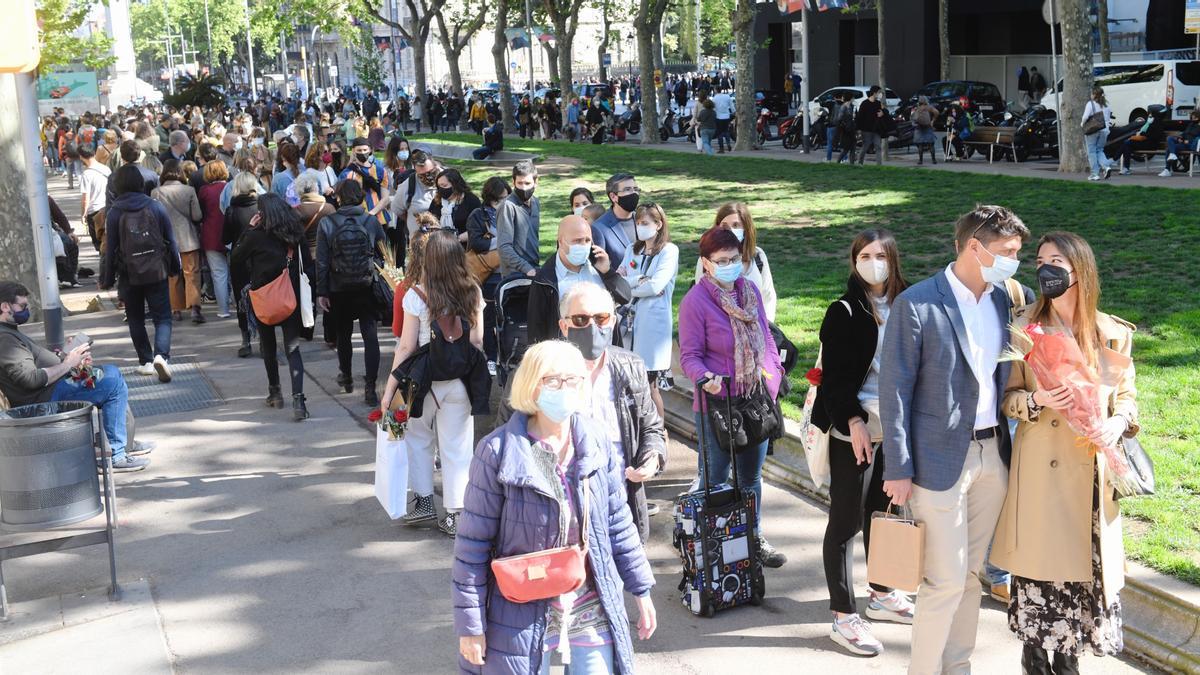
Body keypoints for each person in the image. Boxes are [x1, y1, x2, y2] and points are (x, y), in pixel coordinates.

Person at [879, 205, 1031, 675]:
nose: (1014, 261)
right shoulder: (919, 303)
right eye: (1007, 252)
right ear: (974, 247)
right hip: (938, 462)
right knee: (943, 581)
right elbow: (895, 390)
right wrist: (898, 468)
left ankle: (957, 667)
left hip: (993, 455)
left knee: (969, 577)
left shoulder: (1008, 298)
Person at [452, 339, 657, 673]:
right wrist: (470, 627)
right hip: (520, 611)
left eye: (573, 379)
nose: (565, 388)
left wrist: (641, 590)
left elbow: (618, 522)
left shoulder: (595, 440)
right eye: (553, 380)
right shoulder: (496, 452)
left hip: (589, 605)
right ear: (532, 386)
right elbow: (472, 547)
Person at [988, 231, 1138, 674]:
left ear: (1080, 270)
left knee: (1081, 573)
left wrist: (1117, 421)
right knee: (1040, 569)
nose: (1045, 269)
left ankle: (1068, 659)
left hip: (1091, 475)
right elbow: (1007, 396)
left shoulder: (1111, 333)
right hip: (1041, 472)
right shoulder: (1025, 327)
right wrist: (1038, 402)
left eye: (1056, 260)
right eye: (1040, 261)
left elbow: (1128, 396)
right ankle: (1034, 656)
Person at [813, 229, 914, 657]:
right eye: (865, 255)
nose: (874, 262)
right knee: (846, 520)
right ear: (854, 261)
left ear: (893, 259)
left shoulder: (909, 303)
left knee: (883, 511)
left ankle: (882, 591)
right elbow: (833, 381)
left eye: (881, 255)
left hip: (895, 427)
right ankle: (842, 615)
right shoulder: (844, 312)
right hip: (852, 428)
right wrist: (852, 421)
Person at [678, 227, 787, 569]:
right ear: (706, 264)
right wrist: (704, 378)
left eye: (734, 260)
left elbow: (765, 337)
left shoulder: (750, 291)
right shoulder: (695, 302)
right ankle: (704, 545)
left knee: (751, 479)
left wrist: (774, 375)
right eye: (721, 261)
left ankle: (752, 539)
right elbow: (689, 355)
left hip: (753, 400)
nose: (729, 266)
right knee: (715, 480)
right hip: (717, 404)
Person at [380, 230, 485, 535]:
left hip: (420, 381)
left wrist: (389, 392)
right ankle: (455, 514)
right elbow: (477, 340)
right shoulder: (473, 292)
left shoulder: (416, 295)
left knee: (418, 439)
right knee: (457, 447)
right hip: (460, 381)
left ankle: (424, 502)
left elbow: (406, 347)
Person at [0, 282, 151, 472]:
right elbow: (31, 379)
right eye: (22, 306)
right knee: (112, 381)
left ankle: (123, 444)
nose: (26, 310)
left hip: (49, 391)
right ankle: (117, 454)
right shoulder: (5, 339)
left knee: (110, 374)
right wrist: (68, 364)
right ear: (5, 307)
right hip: (43, 400)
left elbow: (35, 365)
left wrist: (66, 355)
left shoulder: (9, 333)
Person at [230, 194, 316, 421]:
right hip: (290, 297)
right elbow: (308, 265)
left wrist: (248, 229)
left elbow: (235, 258)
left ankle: (275, 393)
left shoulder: (255, 236)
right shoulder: (295, 234)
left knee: (268, 346)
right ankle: (299, 399)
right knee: (293, 348)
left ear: (261, 214)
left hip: (263, 297)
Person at [100, 165, 182, 383]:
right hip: (157, 270)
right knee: (162, 317)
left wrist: (108, 278)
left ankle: (145, 361)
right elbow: (171, 240)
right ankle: (161, 356)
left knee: (135, 318)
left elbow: (110, 249)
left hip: (129, 274)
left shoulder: (115, 212)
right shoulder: (155, 207)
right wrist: (175, 266)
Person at [316, 179, 389, 406]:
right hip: (366, 286)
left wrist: (322, 291)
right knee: (370, 335)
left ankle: (346, 377)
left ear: (338, 197)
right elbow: (384, 253)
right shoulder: (370, 221)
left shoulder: (327, 223)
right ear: (360, 196)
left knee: (344, 334)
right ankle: (370, 387)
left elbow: (322, 261)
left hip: (339, 287)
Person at [617, 202, 679, 420]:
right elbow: (619, 281)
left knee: (650, 385)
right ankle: (636, 428)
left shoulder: (669, 252)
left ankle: (658, 431)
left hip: (652, 326)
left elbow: (656, 286)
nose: (640, 227)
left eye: (645, 223)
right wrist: (638, 280)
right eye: (638, 223)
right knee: (629, 380)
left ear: (658, 224)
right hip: (628, 323)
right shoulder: (632, 250)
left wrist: (632, 286)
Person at [692, 202, 777, 322]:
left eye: (736, 225)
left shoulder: (758, 256)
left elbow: (767, 296)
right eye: (725, 226)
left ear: (746, 228)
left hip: (758, 328)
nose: (731, 230)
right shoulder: (707, 261)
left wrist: (767, 326)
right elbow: (700, 300)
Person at [152, 160, 206, 324]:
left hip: (166, 240)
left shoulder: (156, 192)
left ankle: (176, 309)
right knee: (192, 274)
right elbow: (197, 216)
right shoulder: (189, 190)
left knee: (172, 275)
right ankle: (195, 308)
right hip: (188, 237)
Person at [465, 176, 509, 365]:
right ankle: (491, 356)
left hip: (509, 272)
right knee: (488, 317)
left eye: (506, 197)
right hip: (488, 275)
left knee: (507, 318)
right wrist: (502, 243)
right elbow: (476, 243)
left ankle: (507, 354)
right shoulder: (478, 215)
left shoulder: (512, 213)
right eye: (499, 199)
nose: (503, 203)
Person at [224, 172, 262, 357]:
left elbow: (224, 238)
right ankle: (264, 338)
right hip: (261, 259)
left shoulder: (232, 210)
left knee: (242, 299)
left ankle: (245, 339)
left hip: (239, 260)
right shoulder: (263, 207)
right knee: (262, 296)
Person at [496, 160, 542, 278]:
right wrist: (526, 269)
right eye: (520, 183)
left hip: (534, 269)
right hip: (515, 273)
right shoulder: (507, 206)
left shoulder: (535, 202)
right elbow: (504, 247)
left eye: (527, 183)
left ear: (536, 182)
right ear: (513, 182)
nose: (523, 187)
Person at [199, 160, 233, 318]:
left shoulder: (204, 191)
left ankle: (223, 310)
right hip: (233, 234)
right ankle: (239, 304)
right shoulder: (231, 187)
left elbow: (200, 214)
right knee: (235, 272)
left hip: (211, 236)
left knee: (219, 274)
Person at [340, 136, 391, 230]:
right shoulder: (346, 174)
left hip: (379, 219)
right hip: (356, 221)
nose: (362, 153)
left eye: (365, 150)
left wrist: (371, 213)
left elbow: (385, 198)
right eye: (359, 150)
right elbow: (342, 199)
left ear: (370, 150)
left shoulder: (381, 171)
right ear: (353, 151)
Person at [591, 173, 640, 266]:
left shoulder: (644, 221)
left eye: (635, 189)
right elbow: (600, 268)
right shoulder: (599, 228)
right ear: (613, 197)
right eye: (627, 189)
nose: (633, 193)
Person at [389, 148, 439, 239]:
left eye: (430, 172)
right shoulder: (407, 186)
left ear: (434, 164)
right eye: (422, 175)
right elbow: (398, 210)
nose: (428, 177)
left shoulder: (446, 178)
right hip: (420, 243)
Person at [429, 168, 482, 242]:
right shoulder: (436, 201)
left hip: (464, 248)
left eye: (444, 186)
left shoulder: (471, 201)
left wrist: (457, 239)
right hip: (439, 246)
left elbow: (479, 228)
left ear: (455, 185)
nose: (441, 189)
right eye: (439, 186)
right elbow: (429, 223)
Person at [78, 144, 111, 257]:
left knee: (99, 244)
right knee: (108, 241)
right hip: (107, 209)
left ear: (82, 157)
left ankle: (104, 269)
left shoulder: (86, 174)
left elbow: (85, 198)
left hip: (94, 212)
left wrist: (83, 214)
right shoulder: (106, 169)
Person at [1116, 108, 1165, 176]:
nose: (1149, 118)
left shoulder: (1156, 126)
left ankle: (1116, 160)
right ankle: (1125, 167)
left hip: (1150, 145)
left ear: (1155, 117)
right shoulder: (1151, 124)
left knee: (1127, 143)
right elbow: (1145, 135)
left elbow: (1146, 136)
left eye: (1151, 117)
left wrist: (1138, 135)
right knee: (1127, 145)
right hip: (1146, 143)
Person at [1083, 87, 1115, 181]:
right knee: (1099, 150)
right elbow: (1108, 117)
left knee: (1092, 151)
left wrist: (1082, 124)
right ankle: (1106, 166)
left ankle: (1094, 174)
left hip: (1093, 130)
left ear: (1094, 95)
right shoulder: (1106, 104)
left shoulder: (1090, 104)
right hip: (1105, 130)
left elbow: (1085, 117)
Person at [1161, 109, 1200, 177]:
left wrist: (1189, 141)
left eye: (1195, 117)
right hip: (1183, 143)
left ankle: (1167, 169)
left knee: (1168, 149)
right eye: (1192, 117)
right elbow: (1185, 133)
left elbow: (1198, 138)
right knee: (1169, 138)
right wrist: (1180, 138)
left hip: (1191, 145)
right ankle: (1172, 156)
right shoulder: (1190, 124)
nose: (1193, 118)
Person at [856, 86, 885, 165]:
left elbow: (883, 113)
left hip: (876, 129)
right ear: (874, 93)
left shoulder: (878, 103)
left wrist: (882, 113)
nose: (880, 94)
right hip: (866, 130)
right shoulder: (865, 103)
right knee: (865, 147)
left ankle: (879, 165)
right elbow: (860, 117)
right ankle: (860, 163)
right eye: (879, 92)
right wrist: (859, 129)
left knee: (878, 147)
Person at [911, 96, 940, 165]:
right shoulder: (929, 107)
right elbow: (937, 112)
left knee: (920, 145)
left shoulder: (917, 108)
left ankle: (920, 160)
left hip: (919, 128)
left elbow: (913, 118)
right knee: (931, 144)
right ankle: (934, 160)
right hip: (928, 127)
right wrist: (933, 120)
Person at [834, 95, 857, 163]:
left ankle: (852, 163)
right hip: (846, 130)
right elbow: (839, 119)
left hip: (851, 129)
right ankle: (838, 161)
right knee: (846, 149)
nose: (854, 99)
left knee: (853, 147)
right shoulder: (843, 107)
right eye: (853, 98)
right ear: (850, 98)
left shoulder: (851, 106)